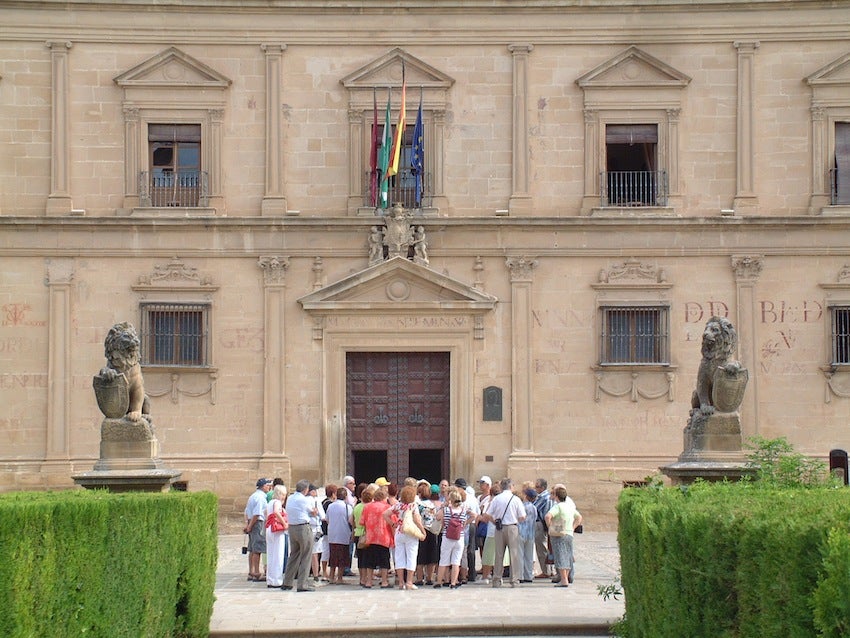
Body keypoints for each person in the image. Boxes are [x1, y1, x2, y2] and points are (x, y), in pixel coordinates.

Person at [486, 477, 526, 588]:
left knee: (499, 555)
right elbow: (522, 516)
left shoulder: (497, 499)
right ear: (511, 486)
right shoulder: (515, 499)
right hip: (512, 527)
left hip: (499, 528)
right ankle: (514, 580)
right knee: (514, 554)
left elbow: (487, 514)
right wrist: (516, 520)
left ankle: (497, 579)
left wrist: (494, 522)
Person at [385, 485, 425, 589]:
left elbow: (385, 514)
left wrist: (393, 524)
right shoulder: (413, 506)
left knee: (399, 557)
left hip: (399, 532)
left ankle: (401, 582)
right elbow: (417, 520)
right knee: (411, 556)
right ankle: (409, 582)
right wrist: (423, 531)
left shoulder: (398, 505)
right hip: (411, 533)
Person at [283, 479, 318, 592]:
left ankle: (287, 581)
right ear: (305, 489)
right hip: (303, 527)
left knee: (294, 555)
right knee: (306, 555)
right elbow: (312, 512)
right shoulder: (304, 499)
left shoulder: (291, 498)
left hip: (292, 527)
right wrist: (315, 511)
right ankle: (302, 584)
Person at [434, 487, 473, 588]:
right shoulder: (463, 511)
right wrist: (464, 525)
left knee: (443, 560)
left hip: (447, 537)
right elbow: (473, 515)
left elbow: (437, 517)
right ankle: (453, 582)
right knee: (456, 561)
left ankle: (439, 581)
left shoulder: (446, 510)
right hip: (459, 537)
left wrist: (444, 506)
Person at [545, 483, 583, 588]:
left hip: (559, 533)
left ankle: (564, 579)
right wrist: (573, 527)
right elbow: (579, 517)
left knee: (560, 555)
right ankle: (565, 577)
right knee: (568, 555)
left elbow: (548, 516)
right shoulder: (569, 506)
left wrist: (550, 526)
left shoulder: (558, 507)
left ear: (557, 496)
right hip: (569, 533)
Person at [360, 487, 393, 588]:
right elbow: (393, 522)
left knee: (370, 560)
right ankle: (384, 581)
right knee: (384, 560)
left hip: (371, 537)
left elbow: (362, 522)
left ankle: (369, 582)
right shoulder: (387, 507)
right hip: (384, 536)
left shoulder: (367, 507)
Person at [243, 477, 272, 582]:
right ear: (263, 486)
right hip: (257, 523)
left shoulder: (253, 496)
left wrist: (248, 524)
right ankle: (256, 572)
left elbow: (247, 512)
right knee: (257, 549)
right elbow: (257, 513)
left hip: (252, 522)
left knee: (252, 548)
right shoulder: (260, 498)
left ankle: (251, 572)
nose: (269, 487)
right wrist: (250, 526)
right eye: (268, 485)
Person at [326, 486, 353, 584]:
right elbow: (350, 520)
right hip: (343, 534)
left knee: (333, 556)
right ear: (345, 496)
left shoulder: (330, 506)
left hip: (332, 534)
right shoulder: (347, 507)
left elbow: (327, 519)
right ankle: (340, 578)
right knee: (342, 557)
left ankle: (331, 576)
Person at [414, 482, 440, 586]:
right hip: (432, 531)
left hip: (421, 530)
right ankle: (429, 578)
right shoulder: (433, 505)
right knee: (431, 556)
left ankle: (419, 578)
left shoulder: (418, 505)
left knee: (420, 555)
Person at [264, 483, 289, 588]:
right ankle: (277, 580)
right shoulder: (277, 502)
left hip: (269, 528)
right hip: (276, 529)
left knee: (271, 554)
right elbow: (276, 512)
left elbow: (265, 513)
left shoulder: (270, 502)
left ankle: (270, 579)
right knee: (278, 554)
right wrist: (284, 523)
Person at [352, 485, 373, 587]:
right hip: (367, 534)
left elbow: (351, 520)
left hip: (358, 533)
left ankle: (361, 578)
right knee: (367, 558)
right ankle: (367, 578)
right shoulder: (369, 507)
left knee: (360, 558)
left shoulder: (357, 507)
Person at [533, 478, 554, 579]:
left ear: (542, 487)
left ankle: (546, 571)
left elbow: (534, 508)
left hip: (541, 524)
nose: (535, 488)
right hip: (546, 524)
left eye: (537, 487)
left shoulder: (543, 497)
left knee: (541, 548)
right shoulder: (548, 496)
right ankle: (550, 569)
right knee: (548, 548)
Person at [517, 486, 538, 583]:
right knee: (529, 555)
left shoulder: (522, 506)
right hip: (530, 533)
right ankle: (528, 575)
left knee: (520, 554)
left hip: (521, 532)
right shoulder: (534, 508)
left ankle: (520, 575)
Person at [308, 484, 326, 582]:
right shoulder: (316, 501)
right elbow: (323, 516)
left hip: (304, 527)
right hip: (315, 527)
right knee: (314, 552)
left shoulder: (302, 500)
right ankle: (315, 574)